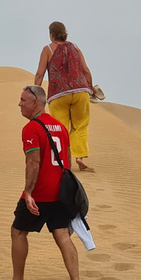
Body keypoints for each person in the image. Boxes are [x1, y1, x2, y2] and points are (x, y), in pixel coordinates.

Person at [0, 85, 82, 280]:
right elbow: (67, 160)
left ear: (35, 103)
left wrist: (29, 193)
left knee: (18, 232)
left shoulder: (31, 129)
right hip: (60, 192)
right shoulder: (60, 127)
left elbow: (33, 163)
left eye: (23, 100)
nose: (20, 104)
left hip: (41, 193)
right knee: (62, 234)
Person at [34, 21, 96, 172]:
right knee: (80, 125)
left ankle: (60, 160)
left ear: (51, 34)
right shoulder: (75, 47)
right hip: (80, 90)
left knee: (59, 128)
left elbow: (40, 73)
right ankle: (79, 157)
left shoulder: (47, 49)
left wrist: (35, 92)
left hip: (58, 94)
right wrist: (91, 88)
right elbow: (86, 70)